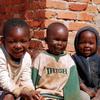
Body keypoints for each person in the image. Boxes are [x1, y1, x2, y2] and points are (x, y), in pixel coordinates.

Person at [32, 22, 81, 100]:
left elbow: (72, 88)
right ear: (46, 40)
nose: (60, 43)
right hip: (41, 96)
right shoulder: (41, 58)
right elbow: (32, 80)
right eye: (56, 40)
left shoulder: (68, 61)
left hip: (60, 97)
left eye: (64, 41)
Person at [0, 18, 43, 100]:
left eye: (23, 41)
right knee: (9, 97)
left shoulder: (26, 57)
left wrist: (31, 92)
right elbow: (3, 81)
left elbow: (26, 79)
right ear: (3, 41)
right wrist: (20, 91)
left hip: (13, 90)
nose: (18, 46)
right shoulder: (1, 55)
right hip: (5, 91)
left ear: (29, 42)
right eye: (12, 42)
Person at [72, 26, 100, 100]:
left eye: (91, 43)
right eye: (82, 42)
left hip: (97, 91)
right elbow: (74, 77)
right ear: (77, 43)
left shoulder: (99, 59)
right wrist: (86, 90)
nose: (87, 46)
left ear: (97, 44)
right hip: (81, 90)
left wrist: (98, 94)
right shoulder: (74, 59)